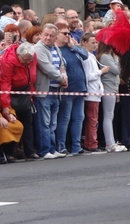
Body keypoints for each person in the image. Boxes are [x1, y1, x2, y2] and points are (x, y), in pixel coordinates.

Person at [54, 21, 90, 156]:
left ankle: (76, 145)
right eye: (64, 33)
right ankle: (61, 145)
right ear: (57, 35)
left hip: (80, 88)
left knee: (79, 117)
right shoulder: (57, 50)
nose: (68, 36)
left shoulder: (72, 48)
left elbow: (86, 55)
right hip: (67, 89)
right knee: (65, 118)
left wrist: (73, 46)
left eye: (69, 33)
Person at [0, 42, 40, 161]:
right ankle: (11, 152)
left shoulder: (32, 57)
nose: (28, 62)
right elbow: (5, 83)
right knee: (13, 121)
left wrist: (31, 95)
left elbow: (31, 78)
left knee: (28, 122)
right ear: (19, 55)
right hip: (12, 92)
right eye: (26, 60)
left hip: (26, 91)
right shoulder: (8, 61)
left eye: (30, 60)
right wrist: (6, 106)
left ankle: (30, 151)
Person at [33, 24, 68, 159]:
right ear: (41, 34)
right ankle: (44, 150)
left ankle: (52, 149)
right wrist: (61, 79)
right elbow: (47, 68)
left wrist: (65, 78)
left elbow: (62, 66)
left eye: (51, 36)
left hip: (55, 90)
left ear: (55, 37)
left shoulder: (56, 49)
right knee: (44, 122)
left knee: (53, 122)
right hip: (44, 91)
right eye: (46, 34)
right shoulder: (38, 49)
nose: (48, 38)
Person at [81, 33, 109, 153]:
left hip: (96, 92)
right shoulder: (86, 57)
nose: (95, 45)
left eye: (96, 42)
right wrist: (101, 72)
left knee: (94, 119)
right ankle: (91, 143)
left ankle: (91, 142)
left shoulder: (92, 56)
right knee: (92, 120)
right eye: (92, 42)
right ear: (84, 42)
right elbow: (88, 76)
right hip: (91, 92)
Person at [96, 41, 126, 152]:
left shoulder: (111, 56)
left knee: (110, 116)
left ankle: (111, 142)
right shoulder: (104, 56)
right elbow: (118, 70)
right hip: (107, 88)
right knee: (108, 116)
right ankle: (110, 143)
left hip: (113, 88)